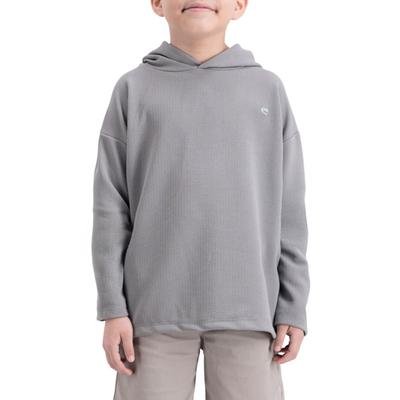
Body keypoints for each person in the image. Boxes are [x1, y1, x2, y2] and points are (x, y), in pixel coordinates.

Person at [91, 0, 310, 399]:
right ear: (157, 3)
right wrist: (113, 306)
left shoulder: (268, 90)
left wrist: (293, 305)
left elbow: (290, 208)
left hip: (250, 308)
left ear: (239, 5)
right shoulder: (133, 89)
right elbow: (110, 206)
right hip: (150, 312)